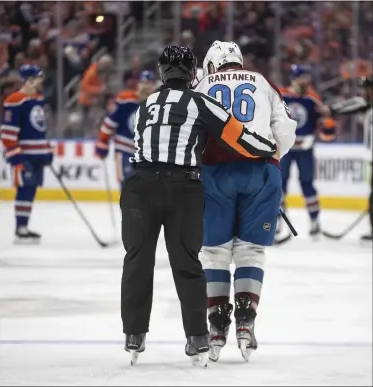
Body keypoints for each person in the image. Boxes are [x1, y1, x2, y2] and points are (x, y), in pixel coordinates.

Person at [120, 45, 278, 367]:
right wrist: (268, 150)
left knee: (137, 261)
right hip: (184, 187)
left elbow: (142, 141)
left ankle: (134, 335)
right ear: (193, 73)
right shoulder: (200, 101)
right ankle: (197, 339)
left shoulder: (144, 105)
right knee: (188, 263)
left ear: (162, 74)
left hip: (141, 188)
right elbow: (240, 137)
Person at [194, 40, 297, 362]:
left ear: (213, 64)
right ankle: (246, 318)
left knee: (215, 252)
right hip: (260, 172)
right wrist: (270, 160)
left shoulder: (202, 84)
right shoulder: (263, 82)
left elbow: (192, 131)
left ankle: (216, 321)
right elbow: (285, 129)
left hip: (215, 173)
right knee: (250, 249)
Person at [278, 64, 337, 238]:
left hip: (305, 149)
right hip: (284, 150)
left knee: (307, 185)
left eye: (307, 78)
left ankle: (314, 222)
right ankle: (276, 223)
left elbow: (326, 130)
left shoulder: (313, 99)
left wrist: (327, 124)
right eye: (303, 77)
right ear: (294, 78)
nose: (307, 81)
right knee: (279, 187)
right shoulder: (280, 96)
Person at [0, 64, 53, 244]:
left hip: (37, 156)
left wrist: (46, 151)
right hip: (24, 156)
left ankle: (24, 226)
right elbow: (8, 133)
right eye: (38, 78)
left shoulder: (38, 100)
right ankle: (20, 227)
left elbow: (41, 130)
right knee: (24, 189)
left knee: (30, 190)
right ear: (29, 80)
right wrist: (15, 155)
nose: (41, 82)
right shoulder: (15, 100)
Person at [95, 71, 156, 190]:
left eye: (149, 83)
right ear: (138, 85)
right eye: (143, 83)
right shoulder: (126, 101)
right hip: (125, 150)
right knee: (128, 186)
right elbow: (110, 122)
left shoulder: (160, 104)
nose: (146, 87)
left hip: (148, 155)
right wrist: (103, 142)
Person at [329, 76, 373, 242]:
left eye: (368, 89)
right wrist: (333, 109)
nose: (365, 92)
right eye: (364, 89)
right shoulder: (365, 104)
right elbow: (353, 104)